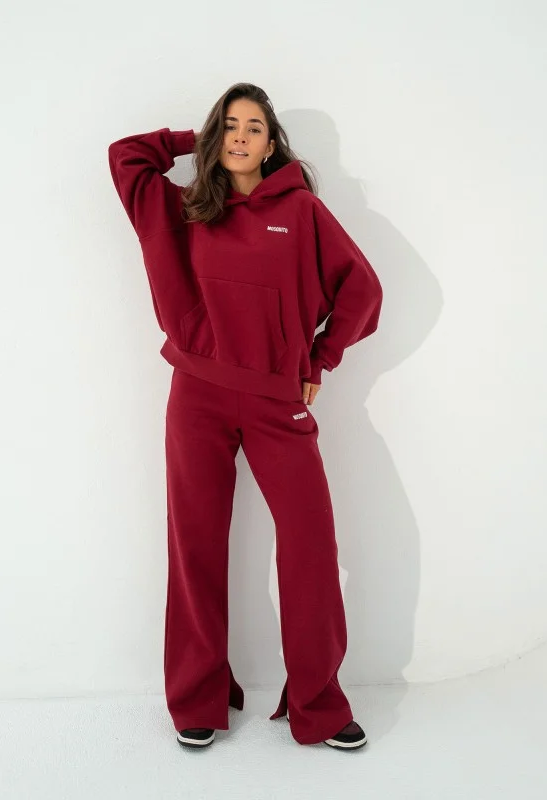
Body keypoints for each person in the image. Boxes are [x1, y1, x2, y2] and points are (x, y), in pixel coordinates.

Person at [108, 82, 383, 750]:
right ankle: (197, 701)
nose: (238, 136)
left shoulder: (302, 211)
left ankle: (319, 704)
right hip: (196, 395)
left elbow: (363, 287)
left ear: (271, 143)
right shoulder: (188, 207)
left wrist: (320, 359)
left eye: (253, 127)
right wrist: (192, 140)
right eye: (228, 125)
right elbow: (126, 156)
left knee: (311, 545)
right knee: (195, 544)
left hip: (275, 400)